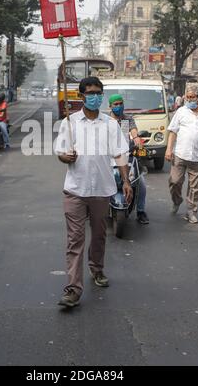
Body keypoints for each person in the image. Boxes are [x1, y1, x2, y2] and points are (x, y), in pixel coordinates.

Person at [55, 77, 133, 308]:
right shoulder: (69, 123)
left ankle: (97, 269)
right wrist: (65, 157)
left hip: (101, 190)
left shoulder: (110, 124)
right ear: (81, 96)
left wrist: (126, 181)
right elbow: (60, 152)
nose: (95, 96)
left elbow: (120, 154)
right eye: (90, 92)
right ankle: (73, 289)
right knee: (75, 240)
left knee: (98, 235)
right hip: (75, 190)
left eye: (99, 92)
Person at [165, 84, 198, 224]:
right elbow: (173, 131)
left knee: (194, 187)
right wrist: (168, 149)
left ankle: (191, 211)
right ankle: (177, 201)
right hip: (179, 155)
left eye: (192, 97)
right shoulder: (181, 112)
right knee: (175, 181)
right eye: (187, 97)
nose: (189, 100)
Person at [109, 94, 149, 225]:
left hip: (127, 156)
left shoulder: (127, 119)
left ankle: (141, 211)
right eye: (115, 104)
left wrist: (137, 139)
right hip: (108, 157)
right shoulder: (105, 120)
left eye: (120, 103)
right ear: (110, 106)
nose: (118, 106)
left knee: (141, 183)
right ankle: (90, 209)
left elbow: (133, 132)